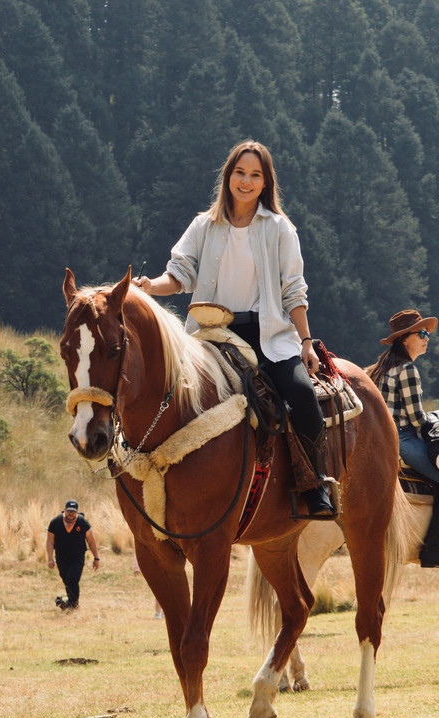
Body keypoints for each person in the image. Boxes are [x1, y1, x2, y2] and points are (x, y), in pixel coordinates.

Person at [134, 140, 333, 517]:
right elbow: (178, 275)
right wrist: (149, 287)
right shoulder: (204, 225)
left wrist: (305, 341)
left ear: (265, 183)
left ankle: (315, 485)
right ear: (227, 177)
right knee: (172, 397)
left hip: (267, 337)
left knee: (302, 394)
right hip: (210, 337)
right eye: (240, 172)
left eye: (255, 175)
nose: (246, 180)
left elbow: (294, 289)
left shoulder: (279, 228)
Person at [366, 309, 439, 569]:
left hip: (378, 438)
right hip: (402, 439)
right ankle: (431, 549)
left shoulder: (378, 369)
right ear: (405, 339)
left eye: (427, 333)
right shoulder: (407, 370)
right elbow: (418, 420)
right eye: (421, 333)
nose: (427, 338)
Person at [46, 499, 99, 610]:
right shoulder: (55, 522)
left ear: (77, 511)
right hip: (61, 557)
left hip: (77, 557)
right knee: (66, 580)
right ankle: (70, 603)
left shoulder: (83, 523)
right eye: (69, 511)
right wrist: (50, 558)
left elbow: (91, 541)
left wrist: (96, 558)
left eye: (73, 512)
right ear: (64, 510)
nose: (71, 514)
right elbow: (50, 541)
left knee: (72, 579)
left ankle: (73, 605)